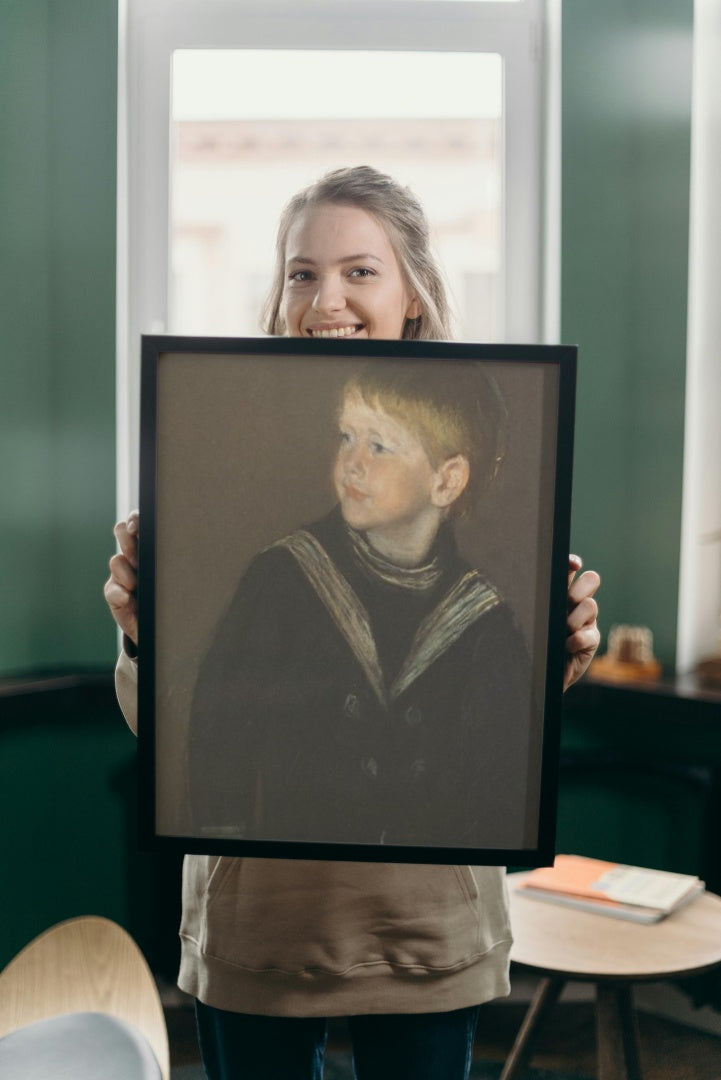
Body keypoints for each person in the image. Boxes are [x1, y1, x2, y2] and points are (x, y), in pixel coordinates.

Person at [105, 166, 601, 1080]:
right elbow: (187, 734)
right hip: (263, 922)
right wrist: (144, 634)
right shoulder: (264, 554)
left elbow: (498, 754)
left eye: (359, 271)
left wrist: (554, 659)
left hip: (423, 927)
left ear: (413, 292)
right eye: (301, 272)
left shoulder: (491, 596)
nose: (324, 297)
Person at [188, 359, 534, 850]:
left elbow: (500, 796)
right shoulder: (283, 580)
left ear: (447, 481)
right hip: (291, 886)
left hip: (424, 902)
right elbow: (220, 735)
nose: (353, 462)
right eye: (347, 437)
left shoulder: (486, 625)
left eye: (379, 446)